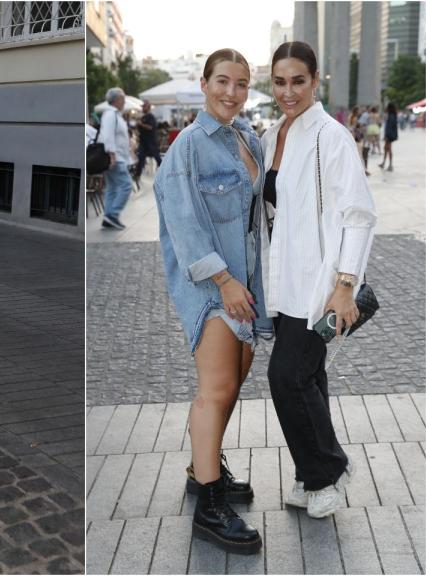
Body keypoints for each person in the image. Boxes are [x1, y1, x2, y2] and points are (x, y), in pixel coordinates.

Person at [153, 48, 269, 555]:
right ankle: (209, 508)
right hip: (212, 286)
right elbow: (184, 227)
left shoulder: (247, 139)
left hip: (245, 285)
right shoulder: (188, 147)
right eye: (222, 81)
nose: (231, 92)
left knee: (234, 379)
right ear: (204, 83)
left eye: (241, 84)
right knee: (215, 389)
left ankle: (203, 470)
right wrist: (223, 282)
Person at [261, 41, 376, 520]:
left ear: (316, 79)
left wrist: (344, 285)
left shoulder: (331, 136)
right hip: (284, 279)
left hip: (320, 283)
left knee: (285, 376)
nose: (289, 91)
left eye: (298, 81)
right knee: (308, 375)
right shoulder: (272, 135)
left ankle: (329, 470)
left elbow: (359, 215)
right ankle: (312, 476)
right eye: (280, 82)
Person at [98, 88, 132, 230]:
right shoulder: (111, 114)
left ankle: (108, 217)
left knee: (112, 187)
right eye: (123, 99)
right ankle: (112, 214)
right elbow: (108, 136)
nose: (124, 101)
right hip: (115, 157)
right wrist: (111, 155)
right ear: (117, 100)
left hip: (117, 156)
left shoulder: (115, 115)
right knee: (126, 186)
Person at [131, 100, 162, 183]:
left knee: (157, 158)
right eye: (142, 107)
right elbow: (140, 129)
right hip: (143, 142)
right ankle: (137, 175)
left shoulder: (151, 117)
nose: (143, 108)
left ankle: (166, 171)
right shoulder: (143, 117)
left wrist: (141, 124)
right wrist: (137, 129)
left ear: (148, 107)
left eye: (144, 106)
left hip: (151, 142)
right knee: (140, 158)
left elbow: (150, 127)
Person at [379, 102, 398, 171]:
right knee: (386, 149)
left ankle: (390, 165)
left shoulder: (391, 116)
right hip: (389, 135)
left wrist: (387, 136)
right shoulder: (391, 115)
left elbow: (390, 127)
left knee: (388, 149)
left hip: (389, 136)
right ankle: (384, 163)